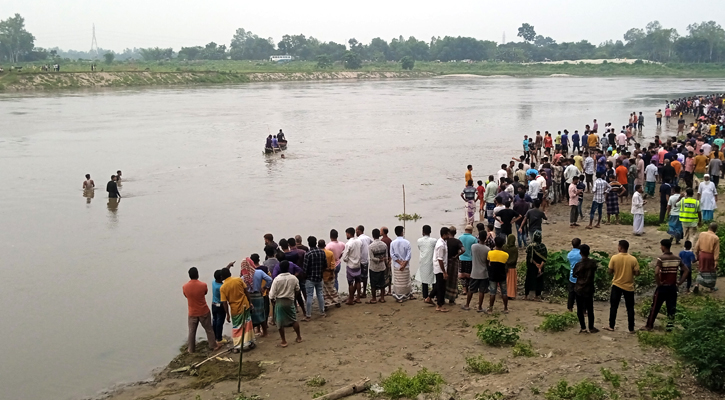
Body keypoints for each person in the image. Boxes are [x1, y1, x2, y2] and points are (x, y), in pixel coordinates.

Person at [642, 239, 688, 332]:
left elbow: (656, 272)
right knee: (671, 308)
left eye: (661, 246)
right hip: (672, 287)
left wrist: (659, 283)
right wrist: (680, 282)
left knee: (655, 307)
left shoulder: (661, 259)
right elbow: (686, 270)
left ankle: (649, 325)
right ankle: (669, 327)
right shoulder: (677, 259)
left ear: (663, 246)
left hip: (663, 287)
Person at [183, 267, 221, 353]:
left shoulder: (185, 286)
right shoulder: (203, 285)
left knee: (192, 332)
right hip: (203, 311)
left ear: (189, 276)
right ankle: (213, 345)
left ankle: (191, 349)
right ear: (197, 275)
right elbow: (205, 292)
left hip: (192, 312)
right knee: (209, 329)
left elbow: (186, 295)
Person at [604, 240, 639, 333]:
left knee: (614, 306)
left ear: (620, 247)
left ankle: (611, 326)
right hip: (629, 286)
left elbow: (610, 271)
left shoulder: (614, 258)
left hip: (617, 284)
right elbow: (637, 273)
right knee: (630, 308)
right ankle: (631, 328)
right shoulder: (633, 259)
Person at [219, 268, 255, 351]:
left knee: (237, 327)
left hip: (235, 309)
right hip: (245, 305)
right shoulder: (238, 280)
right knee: (247, 324)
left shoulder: (223, 287)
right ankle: (249, 342)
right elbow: (246, 292)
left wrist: (227, 314)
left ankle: (238, 345)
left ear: (222, 276)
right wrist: (250, 302)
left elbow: (224, 302)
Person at [268, 260, 303, 347]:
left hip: (280, 301)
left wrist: (273, 302)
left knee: (280, 322)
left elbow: (271, 295)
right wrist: (294, 298)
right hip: (290, 300)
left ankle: (284, 341)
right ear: (288, 268)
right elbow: (298, 289)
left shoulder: (277, 280)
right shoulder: (293, 278)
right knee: (293, 319)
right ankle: (299, 337)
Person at [573, 244, 599, 334]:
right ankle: (591, 327)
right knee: (590, 308)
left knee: (580, 309)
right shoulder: (592, 263)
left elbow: (574, 274)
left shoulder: (578, 265)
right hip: (589, 288)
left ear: (580, 253)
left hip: (579, 288)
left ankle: (583, 328)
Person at [244, 255, 272, 336]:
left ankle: (255, 332)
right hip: (258, 295)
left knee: (252, 315)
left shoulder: (243, 277)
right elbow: (269, 279)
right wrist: (265, 287)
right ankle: (265, 332)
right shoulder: (259, 272)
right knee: (261, 313)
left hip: (249, 297)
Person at [302, 236, 327, 320]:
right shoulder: (322, 252)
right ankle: (322, 312)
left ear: (308, 243)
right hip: (319, 277)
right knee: (320, 294)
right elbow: (325, 265)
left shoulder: (308, 254)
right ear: (316, 242)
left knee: (309, 296)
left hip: (310, 278)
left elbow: (305, 269)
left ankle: (308, 315)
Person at [463, 231, 489, 311]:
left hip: (474, 272)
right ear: (485, 239)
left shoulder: (473, 247)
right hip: (483, 273)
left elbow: (471, 255)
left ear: (478, 237)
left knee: (471, 289)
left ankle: (467, 305)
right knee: (482, 291)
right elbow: (487, 262)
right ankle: (479, 307)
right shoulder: (487, 249)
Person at [693, 222, 720, 293]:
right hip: (710, 256)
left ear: (708, 227)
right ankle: (711, 287)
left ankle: (696, 285)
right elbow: (716, 251)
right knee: (711, 271)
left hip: (702, 254)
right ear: (715, 229)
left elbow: (697, 245)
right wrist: (716, 261)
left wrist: (697, 254)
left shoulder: (702, 234)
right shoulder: (715, 238)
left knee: (701, 269)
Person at [486, 236, 510, 313]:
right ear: (503, 244)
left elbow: (488, 263)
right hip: (502, 275)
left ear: (495, 244)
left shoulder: (490, 253)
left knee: (492, 293)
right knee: (504, 292)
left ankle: (490, 309)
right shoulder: (506, 255)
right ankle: (505, 308)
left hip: (493, 275)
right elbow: (506, 264)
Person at [390, 226, 413, 302]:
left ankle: (398, 296)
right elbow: (408, 255)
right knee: (405, 281)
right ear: (402, 232)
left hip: (397, 265)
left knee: (398, 281)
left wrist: (399, 262)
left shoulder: (392, 243)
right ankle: (406, 295)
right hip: (405, 265)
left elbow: (392, 254)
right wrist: (404, 263)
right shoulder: (407, 242)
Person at [430, 227, 450, 312]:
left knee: (439, 285)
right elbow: (440, 259)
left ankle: (429, 297)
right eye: (448, 234)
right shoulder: (441, 245)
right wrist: (444, 272)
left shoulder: (442, 242)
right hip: (440, 268)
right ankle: (439, 305)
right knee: (441, 287)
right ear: (444, 234)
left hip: (440, 267)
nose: (449, 235)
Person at [524, 231, 547, 301]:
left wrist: (536, 264)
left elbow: (529, 257)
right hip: (540, 266)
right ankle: (537, 296)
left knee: (529, 280)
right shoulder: (543, 247)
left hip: (532, 267)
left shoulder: (531, 246)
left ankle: (526, 296)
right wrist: (540, 266)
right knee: (539, 281)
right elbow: (544, 258)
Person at [341, 227, 362, 305]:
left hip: (351, 265)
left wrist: (347, 260)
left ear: (349, 234)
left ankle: (351, 299)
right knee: (358, 281)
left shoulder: (348, 244)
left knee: (350, 282)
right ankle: (358, 298)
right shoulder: (359, 241)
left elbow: (345, 257)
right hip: (358, 264)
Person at [319, 239, 341, 309]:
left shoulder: (319, 254)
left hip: (322, 275)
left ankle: (326, 304)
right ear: (325, 245)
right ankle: (336, 301)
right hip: (330, 274)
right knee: (332, 288)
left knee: (324, 291)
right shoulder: (330, 253)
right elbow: (333, 265)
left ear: (318, 246)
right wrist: (331, 271)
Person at [416, 225, 437, 302]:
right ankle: (434, 295)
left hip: (423, 261)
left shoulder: (419, 241)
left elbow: (420, 248)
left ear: (422, 232)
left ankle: (425, 296)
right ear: (430, 232)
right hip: (431, 261)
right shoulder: (434, 241)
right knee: (434, 279)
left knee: (424, 279)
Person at [367, 229, 388, 304]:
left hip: (374, 267)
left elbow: (372, 258)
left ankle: (374, 298)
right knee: (382, 282)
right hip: (382, 266)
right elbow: (386, 256)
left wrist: (378, 259)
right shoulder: (384, 245)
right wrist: (383, 260)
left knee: (373, 283)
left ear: (373, 236)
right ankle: (382, 298)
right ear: (379, 235)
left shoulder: (371, 246)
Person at [445, 226, 464, 304]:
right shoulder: (457, 241)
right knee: (453, 280)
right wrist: (457, 255)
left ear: (448, 233)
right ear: (455, 233)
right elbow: (463, 250)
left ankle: (443, 296)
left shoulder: (446, 241)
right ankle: (451, 299)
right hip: (454, 261)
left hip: (446, 261)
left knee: (445, 279)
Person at [458, 225, 477, 296]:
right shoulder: (473, 239)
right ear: (471, 231)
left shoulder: (460, 237)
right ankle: (469, 288)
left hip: (461, 258)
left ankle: (464, 289)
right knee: (469, 274)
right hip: (470, 258)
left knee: (462, 274)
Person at [356, 226, 372, 298]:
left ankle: (359, 294)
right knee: (365, 277)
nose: (356, 232)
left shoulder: (358, 239)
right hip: (366, 260)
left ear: (359, 231)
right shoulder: (368, 238)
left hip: (360, 261)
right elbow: (372, 244)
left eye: (356, 230)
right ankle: (364, 292)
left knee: (358, 278)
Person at [566, 238, 582, 312]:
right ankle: (583, 309)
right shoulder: (581, 254)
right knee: (581, 293)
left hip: (572, 276)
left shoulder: (569, 254)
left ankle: (570, 308)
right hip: (580, 276)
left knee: (571, 293)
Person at [211, 270, 227, 343]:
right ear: (221, 277)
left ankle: (214, 336)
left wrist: (228, 266)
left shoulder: (213, 282)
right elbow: (224, 301)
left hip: (213, 305)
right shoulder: (222, 287)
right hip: (220, 306)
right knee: (220, 322)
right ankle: (219, 339)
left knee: (214, 320)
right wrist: (228, 313)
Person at [503, 234, 519, 300]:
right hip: (512, 267)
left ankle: (504, 293)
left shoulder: (504, 247)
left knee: (505, 281)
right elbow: (515, 258)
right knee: (511, 282)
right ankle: (510, 294)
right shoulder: (514, 249)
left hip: (504, 266)